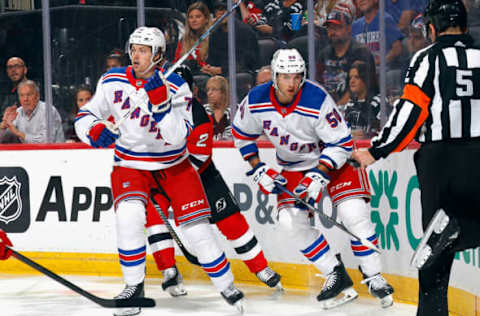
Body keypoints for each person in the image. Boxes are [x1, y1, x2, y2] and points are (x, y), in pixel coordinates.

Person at [74, 26, 244, 316]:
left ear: (159, 55)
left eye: (144, 50)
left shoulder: (177, 86)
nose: (136, 55)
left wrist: (162, 105)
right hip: (130, 164)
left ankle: (227, 285)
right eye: (134, 49)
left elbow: (178, 137)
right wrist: (93, 129)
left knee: (198, 232)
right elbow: (85, 115)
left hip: (174, 166)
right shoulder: (112, 80)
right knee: (129, 217)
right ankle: (133, 288)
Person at [232, 48, 394, 310]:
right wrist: (258, 167)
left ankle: (374, 276)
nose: (292, 83)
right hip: (294, 169)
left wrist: (320, 173)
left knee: (354, 215)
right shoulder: (256, 100)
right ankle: (335, 273)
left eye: (296, 76)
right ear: (274, 76)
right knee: (290, 222)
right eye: (285, 77)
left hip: (335, 163)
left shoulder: (316, 97)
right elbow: (241, 134)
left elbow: (341, 142)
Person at [352, 1, 480, 315]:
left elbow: (411, 112)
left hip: (443, 164)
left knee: (436, 253)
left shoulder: (429, 58)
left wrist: (377, 150)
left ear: (432, 27)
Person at [144, 65, 282, 297]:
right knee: (153, 216)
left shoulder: (199, 116)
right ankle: (169, 271)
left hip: (201, 177)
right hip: (166, 177)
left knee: (232, 222)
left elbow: (197, 160)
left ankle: (261, 268)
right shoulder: (153, 111)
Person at [317, 8, 376, 105]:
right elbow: (317, 83)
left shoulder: (361, 52)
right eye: (330, 28)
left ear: (348, 29)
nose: (333, 32)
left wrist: (336, 108)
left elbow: (358, 88)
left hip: (357, 107)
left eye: (337, 27)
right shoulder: (324, 54)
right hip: (328, 107)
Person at [202, 1, 259, 77]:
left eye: (224, 9)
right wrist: (209, 68)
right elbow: (212, 58)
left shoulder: (245, 32)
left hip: (240, 74)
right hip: (219, 74)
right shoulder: (215, 34)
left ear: (234, 11)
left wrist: (222, 70)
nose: (221, 13)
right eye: (217, 10)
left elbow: (248, 62)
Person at [0, 80, 64, 144]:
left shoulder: (48, 111)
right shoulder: (17, 112)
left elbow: (46, 141)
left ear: (37, 96)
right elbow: (4, 139)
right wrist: (4, 125)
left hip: (52, 152)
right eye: (22, 95)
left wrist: (18, 133)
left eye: (29, 95)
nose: (25, 99)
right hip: (27, 153)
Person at [351, 0, 404, 67]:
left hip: (383, 70)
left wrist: (380, 62)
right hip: (362, 72)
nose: (361, 0)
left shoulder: (385, 20)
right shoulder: (355, 26)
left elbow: (397, 49)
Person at [342, 60, 382, 139]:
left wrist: (368, 135)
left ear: (366, 79)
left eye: (357, 77)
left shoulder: (378, 102)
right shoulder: (349, 104)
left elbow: (385, 131)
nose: (352, 81)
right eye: (350, 77)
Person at [174, 1, 212, 75]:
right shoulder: (183, 40)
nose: (194, 20)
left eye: (198, 17)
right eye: (191, 17)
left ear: (206, 19)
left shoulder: (213, 39)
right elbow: (177, 63)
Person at [204, 75, 232, 140]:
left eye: (214, 89)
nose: (209, 93)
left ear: (223, 92)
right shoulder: (203, 111)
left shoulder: (235, 110)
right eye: (208, 90)